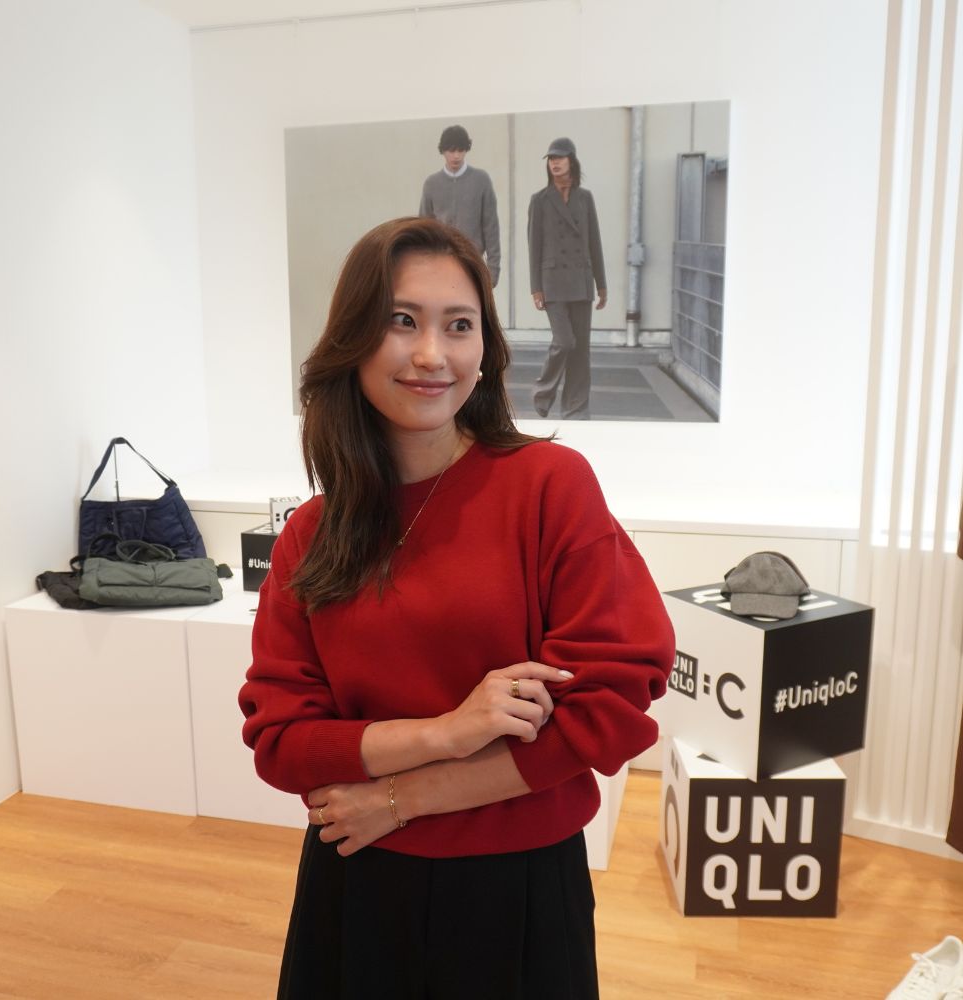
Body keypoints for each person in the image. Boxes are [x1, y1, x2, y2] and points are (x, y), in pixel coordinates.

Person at [238, 216, 673, 999]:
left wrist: (400, 799)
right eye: (402, 321)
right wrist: (448, 731)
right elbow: (282, 742)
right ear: (353, 340)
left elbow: (608, 705)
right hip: (357, 881)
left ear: (486, 349)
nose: (432, 354)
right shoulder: (312, 534)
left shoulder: (548, 486)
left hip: (516, 889)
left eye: (459, 325)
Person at [528, 137, 607, 420]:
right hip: (553, 282)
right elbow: (534, 245)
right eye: (551, 159)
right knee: (564, 341)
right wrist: (536, 287)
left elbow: (594, 242)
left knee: (580, 350)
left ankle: (576, 407)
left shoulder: (585, 198)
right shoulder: (540, 200)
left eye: (560, 158)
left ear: (571, 161)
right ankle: (543, 391)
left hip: (581, 281)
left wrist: (601, 283)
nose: (555, 163)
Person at [419, 124, 502, 286]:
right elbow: (423, 228)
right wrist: (425, 269)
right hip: (440, 266)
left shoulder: (481, 180)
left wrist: (492, 273)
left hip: (472, 265)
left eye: (461, 150)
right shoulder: (431, 184)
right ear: (443, 151)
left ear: (466, 150)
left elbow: (491, 229)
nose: (456, 156)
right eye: (451, 150)